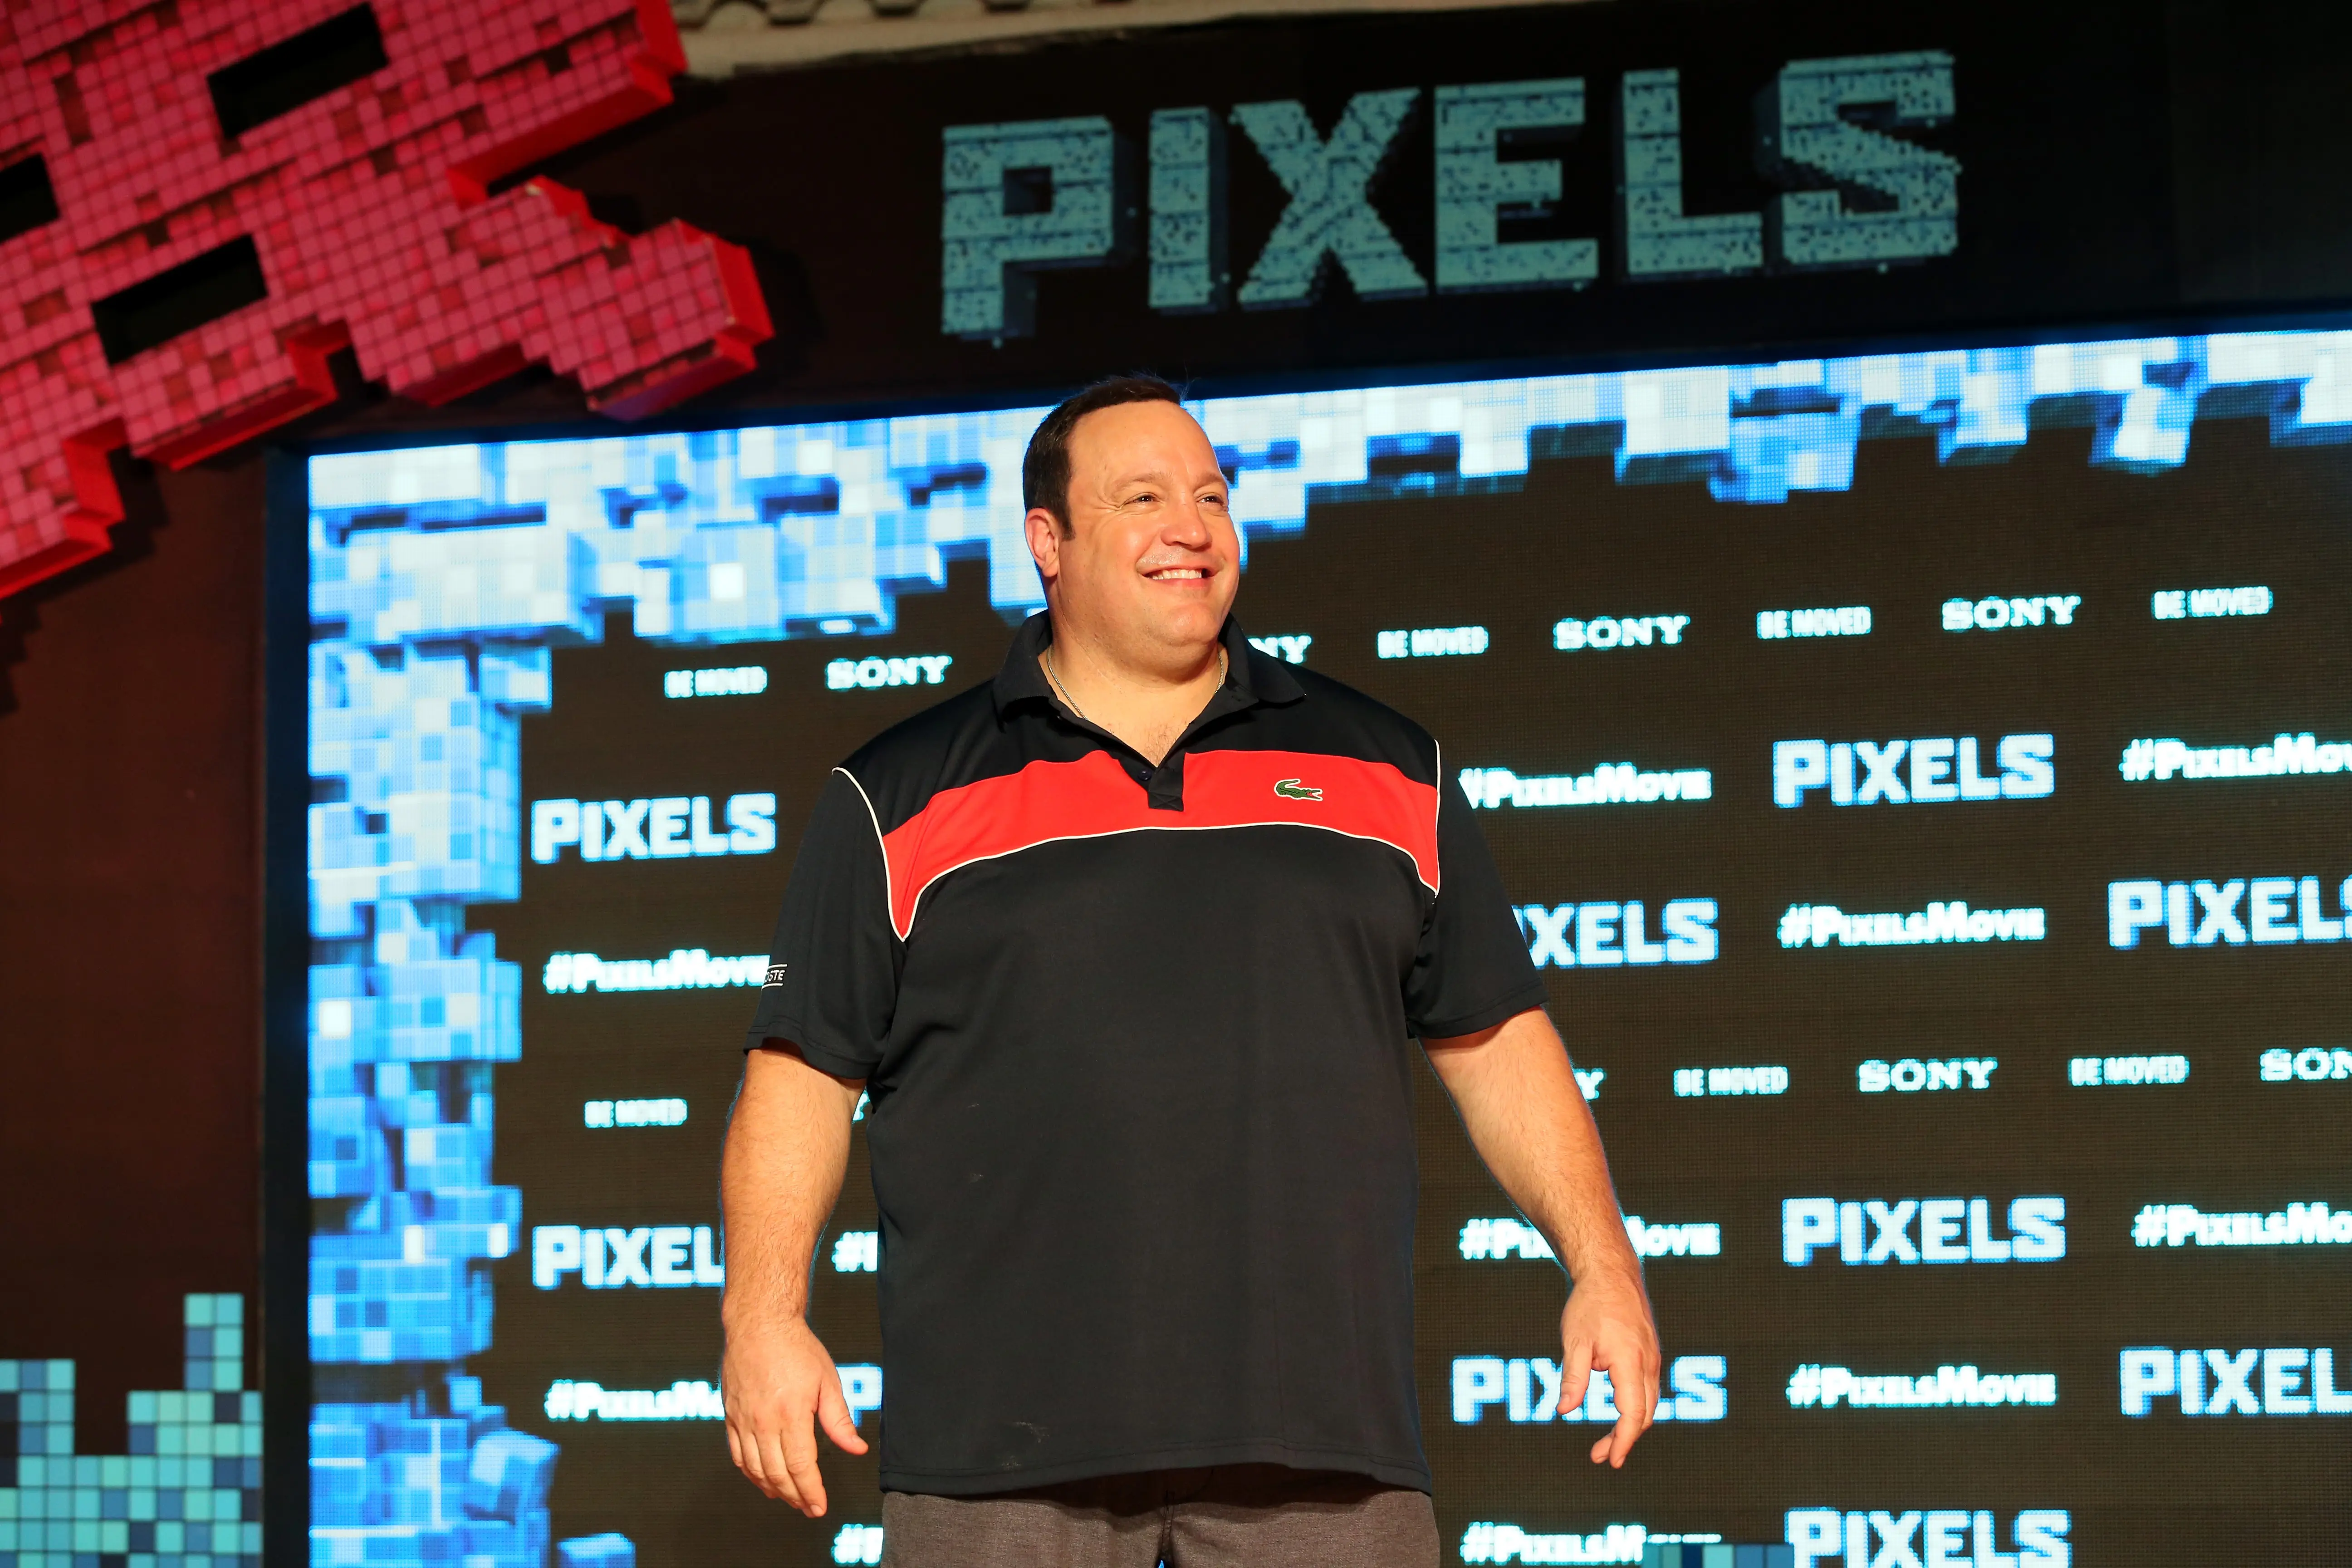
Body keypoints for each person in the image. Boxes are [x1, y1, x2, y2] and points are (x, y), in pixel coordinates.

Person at [718, 375, 1660, 1567]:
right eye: (1144, 496)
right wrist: (763, 1320)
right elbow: (802, 1073)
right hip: (995, 1458)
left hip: (1324, 1446)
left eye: (1211, 494)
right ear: (1047, 543)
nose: (1192, 525)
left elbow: (1496, 1041)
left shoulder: (1388, 767)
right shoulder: (899, 792)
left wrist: (1605, 1270)